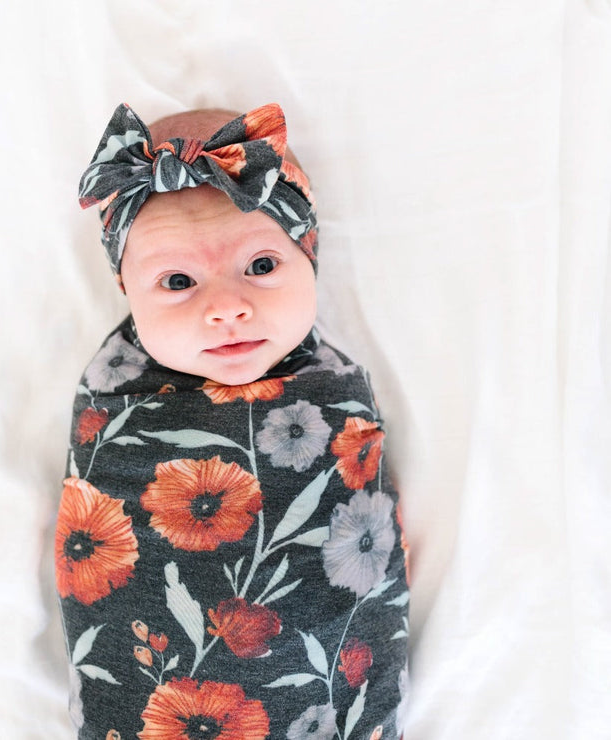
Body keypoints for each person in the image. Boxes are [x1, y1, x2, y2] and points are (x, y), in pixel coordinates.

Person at [55, 102, 409, 740]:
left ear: (309, 258)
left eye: (262, 266)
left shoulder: (333, 387)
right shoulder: (115, 395)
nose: (226, 307)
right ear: (127, 291)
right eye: (178, 281)